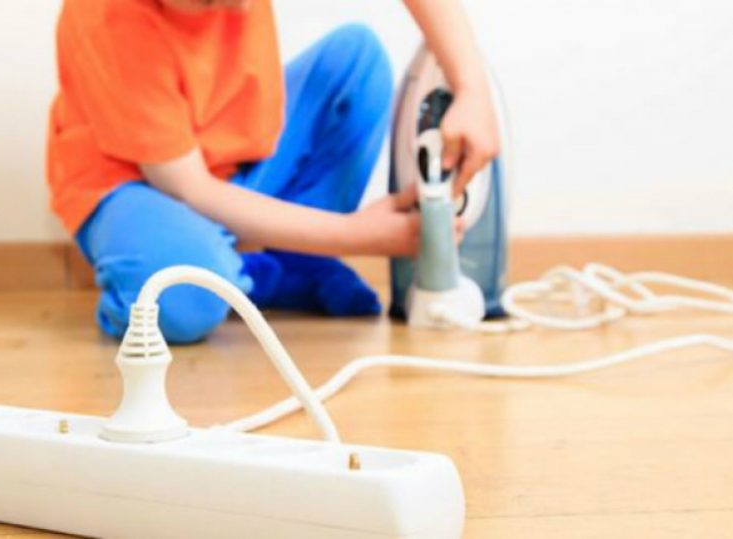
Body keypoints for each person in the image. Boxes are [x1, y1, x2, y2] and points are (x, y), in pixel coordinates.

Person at [46, 0, 499, 343]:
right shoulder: (108, 18)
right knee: (182, 299)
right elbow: (188, 187)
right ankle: (191, 267)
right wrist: (358, 234)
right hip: (137, 186)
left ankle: (277, 263)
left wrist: (471, 88)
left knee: (356, 60)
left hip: (234, 157)